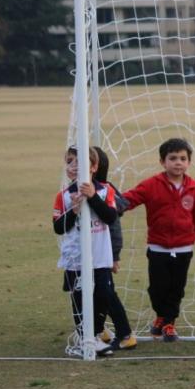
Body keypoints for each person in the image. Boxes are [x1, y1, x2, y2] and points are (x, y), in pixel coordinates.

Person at [123, 138, 195, 342]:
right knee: (157, 288)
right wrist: (109, 204)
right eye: (173, 158)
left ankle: (169, 323)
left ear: (189, 162)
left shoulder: (194, 188)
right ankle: (160, 315)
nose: (178, 162)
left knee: (176, 288)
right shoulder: (151, 185)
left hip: (184, 248)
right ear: (163, 161)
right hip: (158, 248)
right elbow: (130, 198)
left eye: (182, 158)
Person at [53, 146, 116, 357]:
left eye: (80, 162)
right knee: (79, 297)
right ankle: (82, 337)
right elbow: (58, 227)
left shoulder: (105, 190)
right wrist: (74, 210)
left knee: (103, 295)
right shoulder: (63, 196)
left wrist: (92, 197)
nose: (74, 166)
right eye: (70, 161)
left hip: (100, 256)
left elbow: (110, 217)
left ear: (94, 167)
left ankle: (96, 334)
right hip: (76, 259)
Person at [93, 147, 136, 351]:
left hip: (105, 252)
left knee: (107, 292)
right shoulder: (86, 189)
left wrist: (114, 255)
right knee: (94, 291)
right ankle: (99, 330)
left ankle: (125, 334)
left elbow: (116, 219)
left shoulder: (104, 190)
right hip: (92, 252)